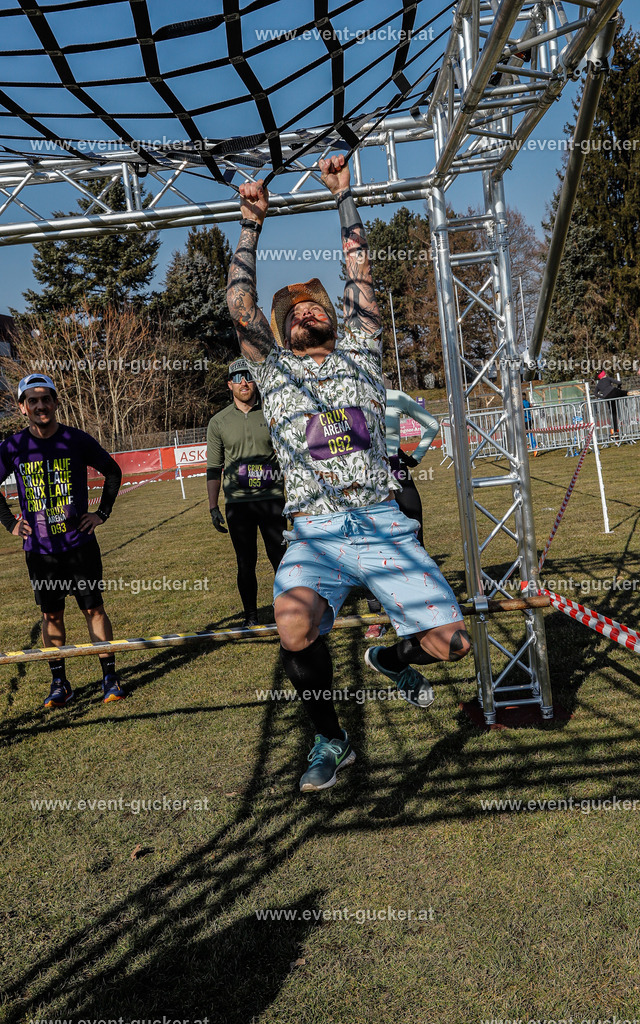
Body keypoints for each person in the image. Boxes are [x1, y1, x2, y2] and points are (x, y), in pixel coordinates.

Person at [226, 155, 471, 794]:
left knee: (452, 645)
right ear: (283, 330)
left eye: (316, 303)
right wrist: (251, 223)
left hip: (382, 521)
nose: (310, 310)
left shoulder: (363, 351)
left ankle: (392, 655)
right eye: (297, 310)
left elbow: (359, 271)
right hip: (313, 532)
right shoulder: (273, 373)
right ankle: (331, 740)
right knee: (294, 623)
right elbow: (239, 303)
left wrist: (344, 197)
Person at [0, 373, 124, 708]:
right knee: (51, 615)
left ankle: (109, 677)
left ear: (55, 402)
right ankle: (60, 683)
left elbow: (112, 471)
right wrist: (11, 523)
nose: (40, 406)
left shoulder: (76, 440)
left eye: (46, 399)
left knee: (93, 608)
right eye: (33, 400)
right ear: (23, 407)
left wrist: (101, 513)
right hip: (40, 552)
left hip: (79, 546)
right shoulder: (13, 446)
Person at [206, 357, 286, 628]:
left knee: (282, 559)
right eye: (237, 378)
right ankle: (251, 617)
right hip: (239, 504)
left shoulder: (273, 412)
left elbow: (289, 457)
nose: (243, 383)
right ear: (230, 384)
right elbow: (214, 468)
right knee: (245, 562)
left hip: (272, 499)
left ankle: (286, 610)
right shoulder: (218, 422)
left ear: (255, 381)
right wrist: (213, 506)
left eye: (248, 377)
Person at [365, 382, 439, 640]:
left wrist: (415, 456)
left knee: (415, 542)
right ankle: (377, 618)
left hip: (397, 475)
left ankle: (424, 610)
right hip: (369, 482)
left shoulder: (393, 396)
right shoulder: (350, 399)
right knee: (371, 548)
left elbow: (432, 424)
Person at [594, 371, 626, 438]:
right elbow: (619, 382)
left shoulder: (598, 384)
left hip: (608, 397)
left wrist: (603, 397)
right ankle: (630, 393)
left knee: (613, 413)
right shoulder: (608, 378)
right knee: (624, 393)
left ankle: (615, 431)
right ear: (604, 374)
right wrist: (619, 386)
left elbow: (595, 393)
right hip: (614, 392)